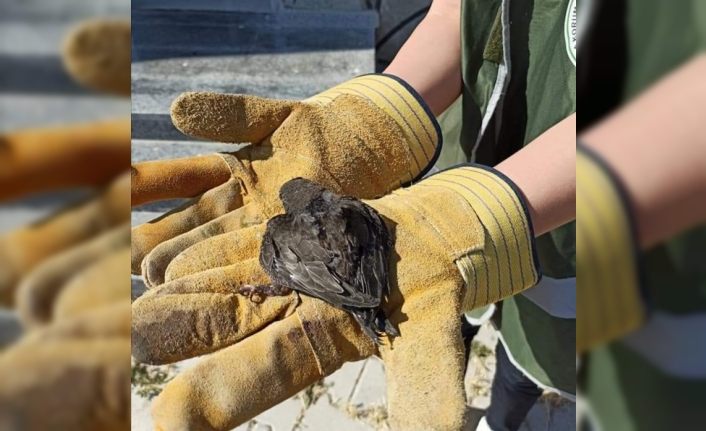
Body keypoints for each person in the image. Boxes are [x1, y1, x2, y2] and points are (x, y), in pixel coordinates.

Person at [130, 1, 576, 429]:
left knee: (524, 361)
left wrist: (475, 214)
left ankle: (503, 419)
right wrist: (368, 122)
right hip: (465, 169)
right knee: (444, 320)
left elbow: (648, 135)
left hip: (576, 238)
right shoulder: (327, 220)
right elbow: (453, 13)